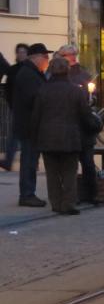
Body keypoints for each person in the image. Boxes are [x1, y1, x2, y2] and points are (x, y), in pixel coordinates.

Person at [30, 57, 96, 215]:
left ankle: (56, 203)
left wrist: (34, 138)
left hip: (47, 138)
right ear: (67, 70)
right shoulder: (76, 91)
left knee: (52, 173)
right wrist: (93, 126)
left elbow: (35, 117)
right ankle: (68, 204)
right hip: (70, 137)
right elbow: (85, 114)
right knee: (69, 172)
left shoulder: (43, 90)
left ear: (51, 70)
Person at [57, 44, 99, 203]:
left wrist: (92, 98)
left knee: (88, 162)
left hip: (83, 126)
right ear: (62, 57)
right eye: (69, 54)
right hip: (68, 126)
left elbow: (93, 97)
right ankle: (71, 195)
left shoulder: (83, 74)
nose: (73, 57)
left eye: (74, 54)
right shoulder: (58, 75)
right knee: (69, 164)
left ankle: (92, 193)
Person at [12, 43, 52, 207]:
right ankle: (27, 194)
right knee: (29, 160)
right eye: (45, 56)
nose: (47, 60)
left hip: (30, 123)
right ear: (36, 57)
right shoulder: (29, 74)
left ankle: (28, 193)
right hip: (29, 124)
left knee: (31, 159)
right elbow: (35, 99)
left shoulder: (33, 72)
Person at [1, 43, 29, 171]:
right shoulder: (13, 70)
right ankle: (9, 161)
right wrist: (11, 103)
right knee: (14, 135)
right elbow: (8, 89)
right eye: (19, 52)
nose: (21, 54)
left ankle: (27, 161)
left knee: (24, 136)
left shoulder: (30, 70)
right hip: (16, 107)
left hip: (28, 108)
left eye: (23, 52)